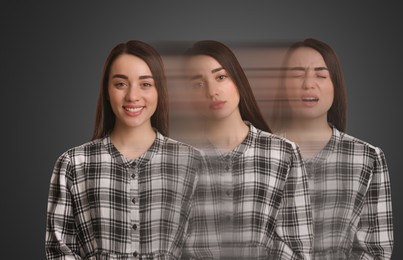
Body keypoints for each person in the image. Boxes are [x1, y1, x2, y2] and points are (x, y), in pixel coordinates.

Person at [45, 40, 202, 259]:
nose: (132, 96)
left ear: (160, 90)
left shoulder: (192, 162)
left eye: (145, 84)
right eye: (121, 84)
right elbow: (59, 250)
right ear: (107, 90)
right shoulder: (74, 163)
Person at [180, 40, 313, 259]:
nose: (212, 91)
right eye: (198, 84)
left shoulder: (284, 153)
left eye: (221, 77)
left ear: (237, 79)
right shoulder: (179, 158)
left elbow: (298, 245)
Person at [272, 38, 394, 259]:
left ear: (336, 85)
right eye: (298, 74)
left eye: (321, 75)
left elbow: (375, 250)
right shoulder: (260, 154)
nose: (308, 84)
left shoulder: (367, 158)